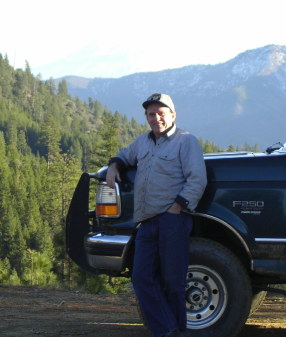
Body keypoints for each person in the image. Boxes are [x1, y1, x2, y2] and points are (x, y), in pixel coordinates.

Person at [106, 93, 207, 337]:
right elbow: (125, 155)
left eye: (161, 113)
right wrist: (113, 166)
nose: (156, 118)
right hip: (146, 223)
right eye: (151, 114)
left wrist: (177, 208)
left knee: (173, 281)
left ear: (173, 115)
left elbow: (197, 179)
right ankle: (168, 330)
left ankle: (176, 329)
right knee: (141, 278)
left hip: (173, 220)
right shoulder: (143, 142)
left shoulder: (186, 141)